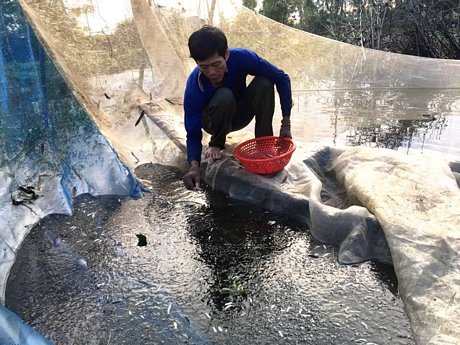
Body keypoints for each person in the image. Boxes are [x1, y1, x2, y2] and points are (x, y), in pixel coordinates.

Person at [182, 26, 293, 190]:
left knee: (265, 82)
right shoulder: (194, 84)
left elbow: (282, 77)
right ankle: (217, 143)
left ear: (226, 55)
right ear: (196, 63)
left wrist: (286, 123)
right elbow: (192, 133)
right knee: (224, 95)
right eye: (204, 67)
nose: (212, 72)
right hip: (213, 121)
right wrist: (194, 167)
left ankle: (264, 142)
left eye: (216, 64)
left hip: (240, 114)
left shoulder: (242, 58)